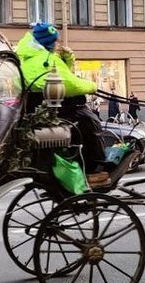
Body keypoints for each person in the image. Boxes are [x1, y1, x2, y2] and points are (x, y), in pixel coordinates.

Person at [17, 22, 109, 187]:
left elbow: (59, 78)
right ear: (47, 42)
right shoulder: (45, 59)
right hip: (59, 111)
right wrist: (93, 86)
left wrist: (67, 61)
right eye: (55, 41)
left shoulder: (28, 56)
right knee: (91, 122)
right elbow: (70, 84)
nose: (57, 44)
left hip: (41, 110)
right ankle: (94, 170)